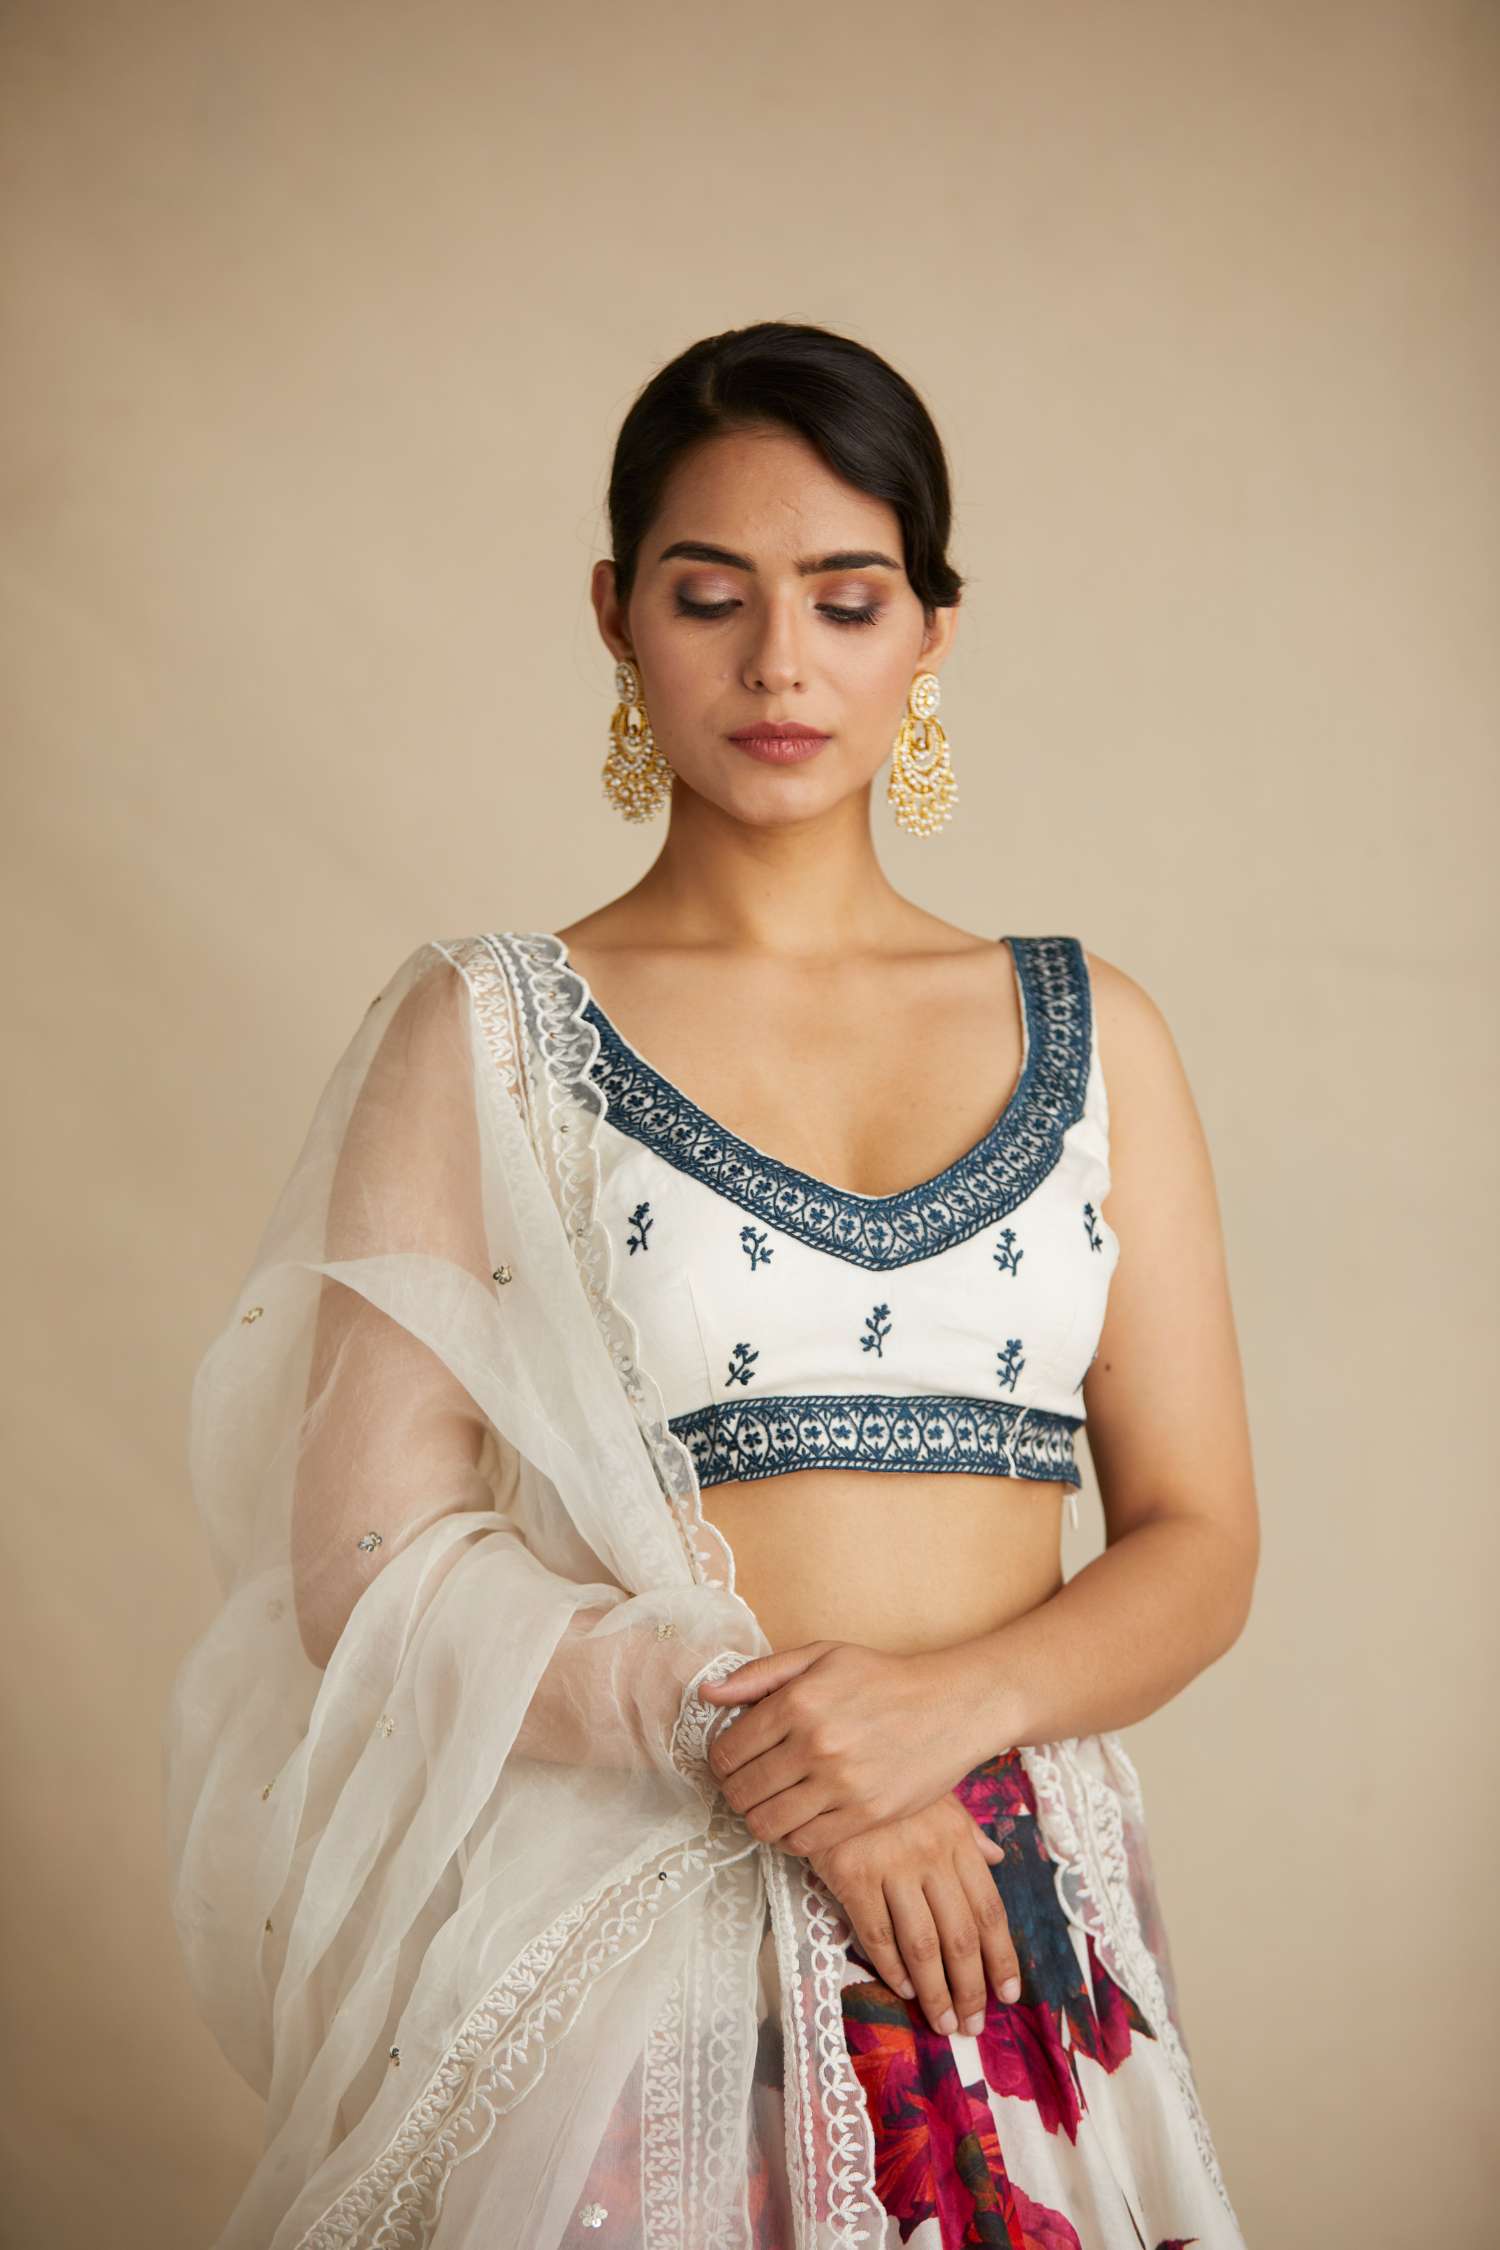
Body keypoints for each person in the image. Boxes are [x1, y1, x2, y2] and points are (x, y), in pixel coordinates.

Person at [163, 319, 1259, 2249]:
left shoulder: (1099, 1035)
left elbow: (1199, 1541)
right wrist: (757, 1744)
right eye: (710, 596)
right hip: (629, 1933)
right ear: (615, 614)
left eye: (846, 600)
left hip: (998, 1944)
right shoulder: (483, 1030)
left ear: (931, 627)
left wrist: (935, 1722)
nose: (778, 664)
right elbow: (369, 1573)